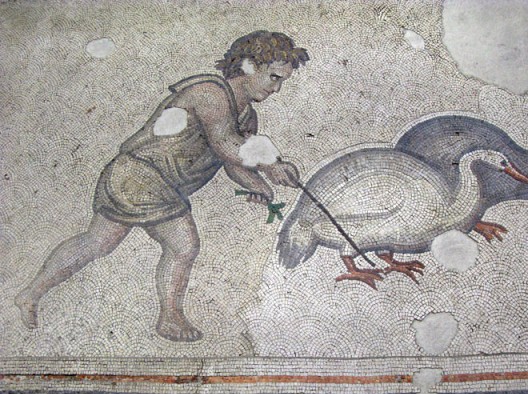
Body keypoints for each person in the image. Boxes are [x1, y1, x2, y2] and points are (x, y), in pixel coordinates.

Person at [15, 31, 309, 342]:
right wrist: (272, 164)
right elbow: (225, 143)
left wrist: (260, 185)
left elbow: (233, 163)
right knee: (180, 245)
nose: (276, 88)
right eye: (273, 77)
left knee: (99, 243)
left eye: (282, 81)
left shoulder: (247, 118)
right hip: (141, 175)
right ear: (249, 65)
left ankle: (30, 294)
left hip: (153, 183)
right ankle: (170, 318)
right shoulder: (210, 93)